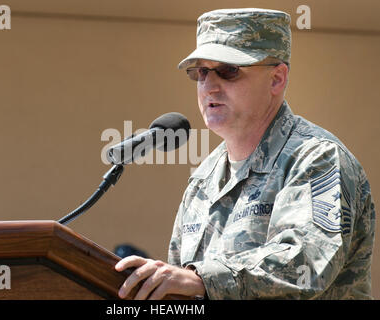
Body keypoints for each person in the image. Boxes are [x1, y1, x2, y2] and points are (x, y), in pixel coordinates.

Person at [114, 8, 376, 299]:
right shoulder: (204, 178)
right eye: (201, 72)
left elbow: (306, 266)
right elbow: (181, 290)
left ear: (277, 79)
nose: (209, 87)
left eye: (228, 71)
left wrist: (203, 280)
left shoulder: (317, 159)